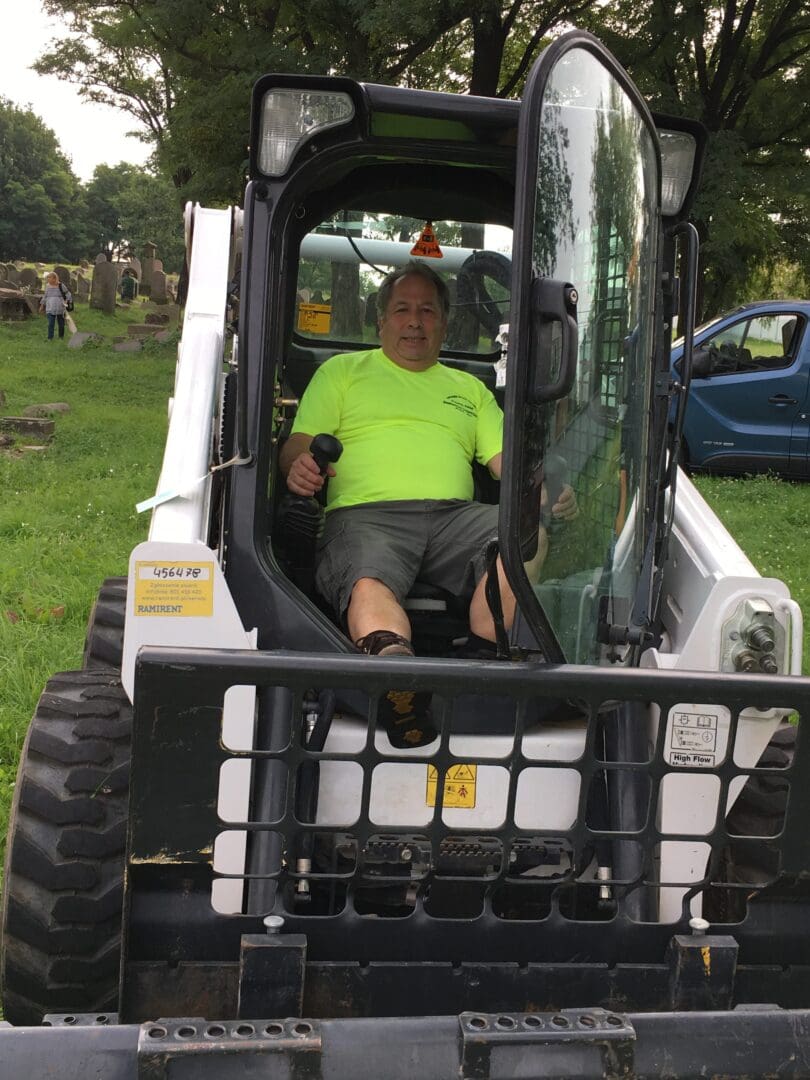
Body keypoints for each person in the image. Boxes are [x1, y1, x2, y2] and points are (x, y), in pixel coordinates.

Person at [281, 262, 575, 746]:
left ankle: (486, 658)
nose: (414, 321)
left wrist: (545, 494)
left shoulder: (469, 391)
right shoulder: (342, 374)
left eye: (427, 310)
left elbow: (510, 464)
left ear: (443, 322)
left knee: (523, 533)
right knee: (366, 575)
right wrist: (298, 465)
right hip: (366, 516)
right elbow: (299, 443)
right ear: (382, 322)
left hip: (455, 518)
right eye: (402, 309)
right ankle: (399, 679)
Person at [39, 272, 70, 340]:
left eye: (49, 277)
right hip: (50, 307)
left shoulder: (61, 285)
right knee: (50, 324)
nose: (48, 279)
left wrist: (66, 301)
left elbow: (68, 294)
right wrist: (42, 305)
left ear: (54, 278)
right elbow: (45, 296)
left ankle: (61, 337)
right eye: (48, 277)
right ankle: (50, 338)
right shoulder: (47, 286)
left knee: (61, 324)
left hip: (60, 307)